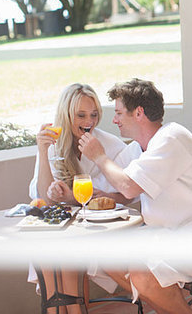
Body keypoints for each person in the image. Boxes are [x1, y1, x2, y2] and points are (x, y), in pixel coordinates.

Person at [78, 78, 192, 314]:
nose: (114, 120)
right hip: (166, 236)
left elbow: (129, 186)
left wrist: (99, 156)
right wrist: (75, 196)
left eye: (120, 113)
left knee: (141, 269)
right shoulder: (138, 148)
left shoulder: (172, 138)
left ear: (139, 113)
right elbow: (120, 189)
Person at [28, 83, 142, 314]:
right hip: (69, 227)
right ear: (66, 114)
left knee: (65, 252)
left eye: (94, 114)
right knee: (51, 253)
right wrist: (42, 151)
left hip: (104, 228)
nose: (89, 121)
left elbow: (125, 195)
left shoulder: (109, 145)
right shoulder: (53, 142)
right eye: (81, 115)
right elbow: (43, 198)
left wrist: (71, 197)